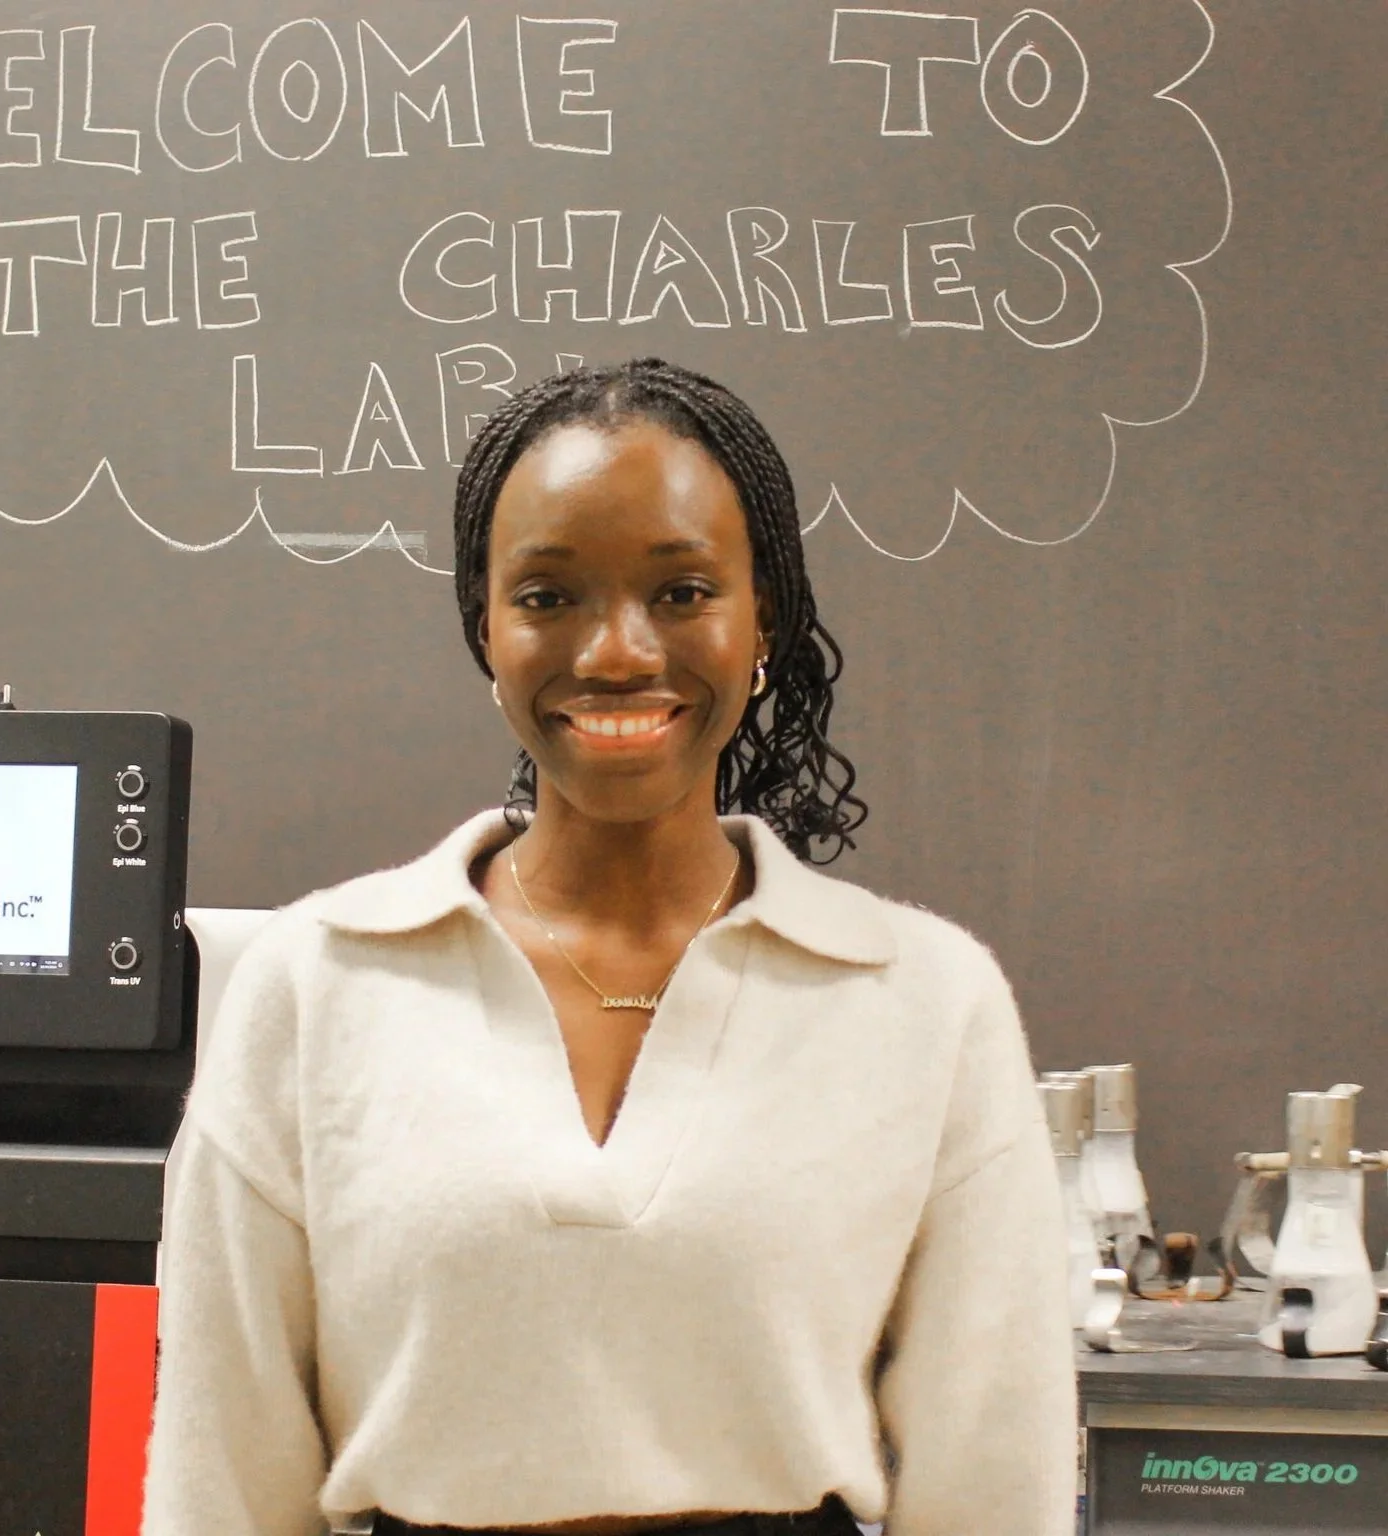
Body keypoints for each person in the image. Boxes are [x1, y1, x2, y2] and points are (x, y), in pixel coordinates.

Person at [142, 358, 1078, 1536]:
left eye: (684, 591)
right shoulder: (314, 983)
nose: (620, 651)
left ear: (763, 619)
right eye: (549, 596)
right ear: (484, 625)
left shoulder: (925, 1002)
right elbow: (222, 1478)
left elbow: (995, 1483)